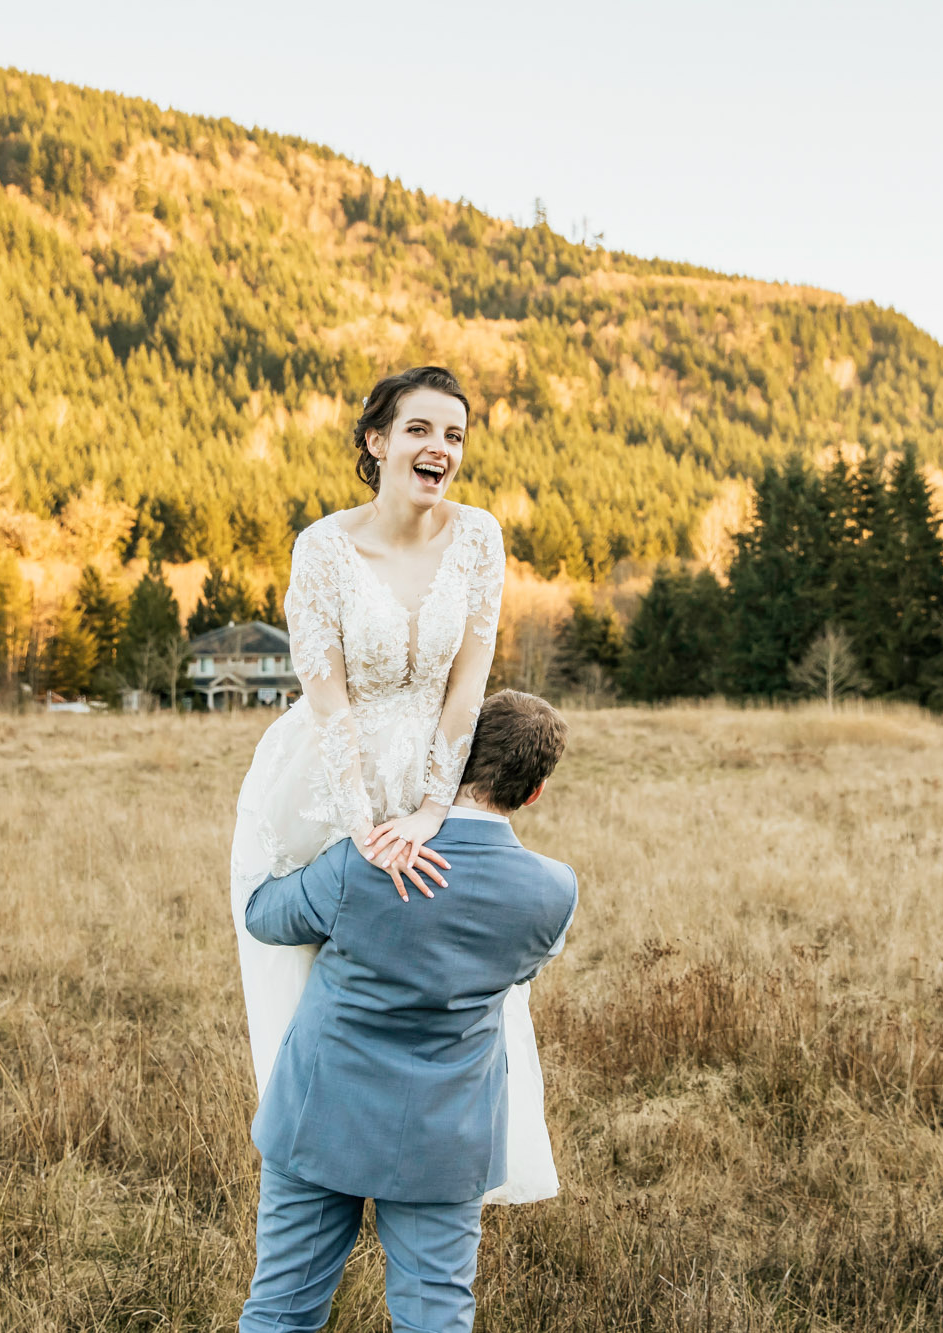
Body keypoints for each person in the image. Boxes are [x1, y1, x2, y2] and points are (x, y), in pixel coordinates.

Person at [228, 366, 559, 1205]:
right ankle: (322, 1158)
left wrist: (430, 807)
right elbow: (325, 690)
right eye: (419, 430)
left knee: (432, 958)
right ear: (377, 443)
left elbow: (468, 684)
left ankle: (429, 1157)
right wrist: (365, 826)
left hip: (434, 770)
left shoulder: (481, 537)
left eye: (453, 435)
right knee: (324, 967)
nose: (439, 448)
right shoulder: (323, 547)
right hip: (324, 773)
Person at [239, 690, 577, 1332]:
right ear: (532, 794)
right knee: (435, 1320)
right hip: (446, 1136)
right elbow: (523, 971)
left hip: (321, 1113)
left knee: (282, 1312)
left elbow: (264, 917)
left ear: (443, 757)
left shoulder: (362, 861)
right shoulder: (552, 891)